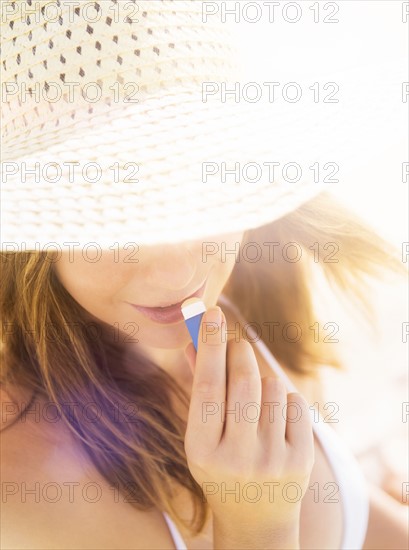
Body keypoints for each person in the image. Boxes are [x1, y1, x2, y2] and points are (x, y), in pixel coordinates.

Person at [1, 2, 407, 549]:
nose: (181, 270)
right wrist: (256, 526)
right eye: (115, 215)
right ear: (33, 238)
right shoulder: (20, 476)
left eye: (201, 191)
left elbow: (359, 527)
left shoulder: (260, 290)